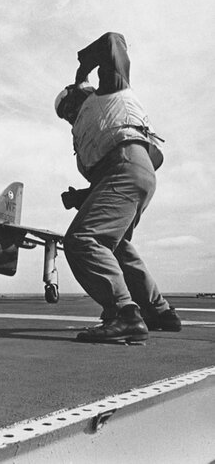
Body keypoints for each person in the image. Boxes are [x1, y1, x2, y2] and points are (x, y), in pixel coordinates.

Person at [54, 32, 181, 343]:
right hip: (135, 173)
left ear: (78, 93)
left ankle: (123, 313)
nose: (69, 114)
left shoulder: (109, 91)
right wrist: (81, 197)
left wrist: (83, 67)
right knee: (117, 244)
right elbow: (109, 175)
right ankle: (159, 311)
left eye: (69, 105)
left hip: (126, 167)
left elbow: (113, 42)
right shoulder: (90, 120)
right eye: (65, 113)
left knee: (83, 240)